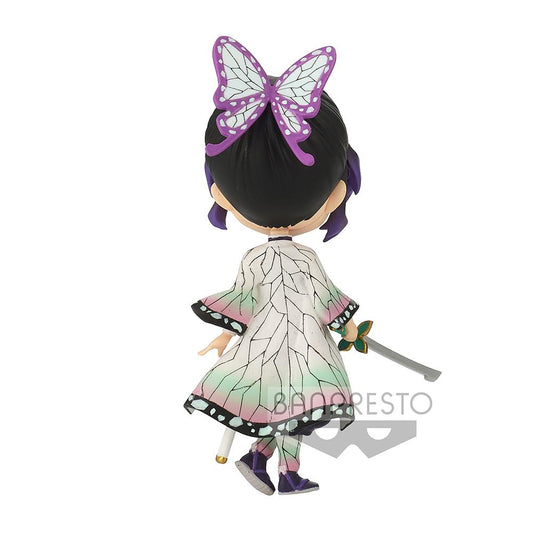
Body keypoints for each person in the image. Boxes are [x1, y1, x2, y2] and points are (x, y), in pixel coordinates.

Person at [184, 36, 362, 495]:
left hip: (272, 348)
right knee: (295, 411)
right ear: (337, 193)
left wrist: (228, 334)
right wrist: (346, 327)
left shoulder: (255, 257)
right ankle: (284, 471)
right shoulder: (303, 258)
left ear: (220, 194)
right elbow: (323, 300)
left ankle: (260, 459)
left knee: (288, 411)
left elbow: (244, 301)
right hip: (298, 350)